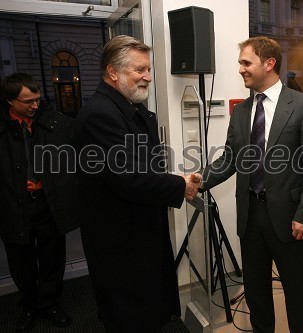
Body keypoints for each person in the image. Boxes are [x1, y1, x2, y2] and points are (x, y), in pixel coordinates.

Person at [75, 35, 201, 333]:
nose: (148, 77)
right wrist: (179, 185)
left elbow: (140, 166)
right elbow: (129, 178)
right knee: (130, 314)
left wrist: (174, 180)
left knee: (145, 308)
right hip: (120, 238)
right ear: (113, 72)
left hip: (135, 229)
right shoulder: (101, 115)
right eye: (139, 70)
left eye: (148, 69)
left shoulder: (125, 108)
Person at [201, 36, 303, 332]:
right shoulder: (243, 111)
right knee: (255, 290)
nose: (241, 69)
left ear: (269, 64)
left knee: (296, 290)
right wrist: (198, 180)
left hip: (290, 217)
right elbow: (230, 158)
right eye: (240, 63)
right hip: (251, 215)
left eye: (246, 62)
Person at [0, 73, 77, 331]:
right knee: (21, 263)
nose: (35, 105)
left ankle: (49, 304)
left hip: (47, 204)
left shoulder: (55, 122)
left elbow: (80, 155)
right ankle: (30, 305)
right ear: (10, 101)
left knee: (52, 258)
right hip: (12, 207)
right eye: (28, 101)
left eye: (37, 99)